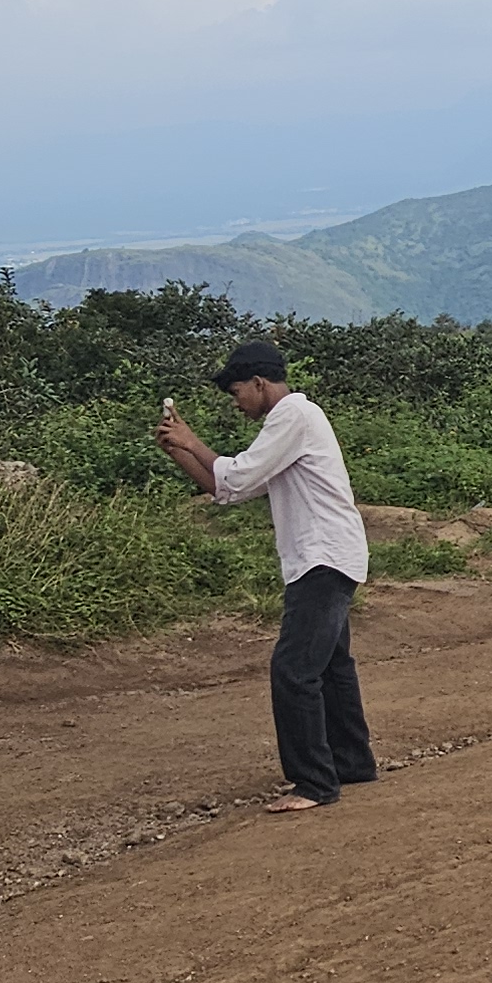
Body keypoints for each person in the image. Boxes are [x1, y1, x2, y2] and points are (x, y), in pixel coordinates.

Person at [153, 339, 376, 814]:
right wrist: (180, 452)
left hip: (321, 557)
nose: (237, 404)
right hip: (327, 555)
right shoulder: (292, 419)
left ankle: (315, 783)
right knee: (331, 667)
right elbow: (228, 488)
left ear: (259, 383)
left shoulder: (293, 414)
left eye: (238, 393)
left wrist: (192, 440)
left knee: (293, 671)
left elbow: (237, 474)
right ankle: (351, 762)